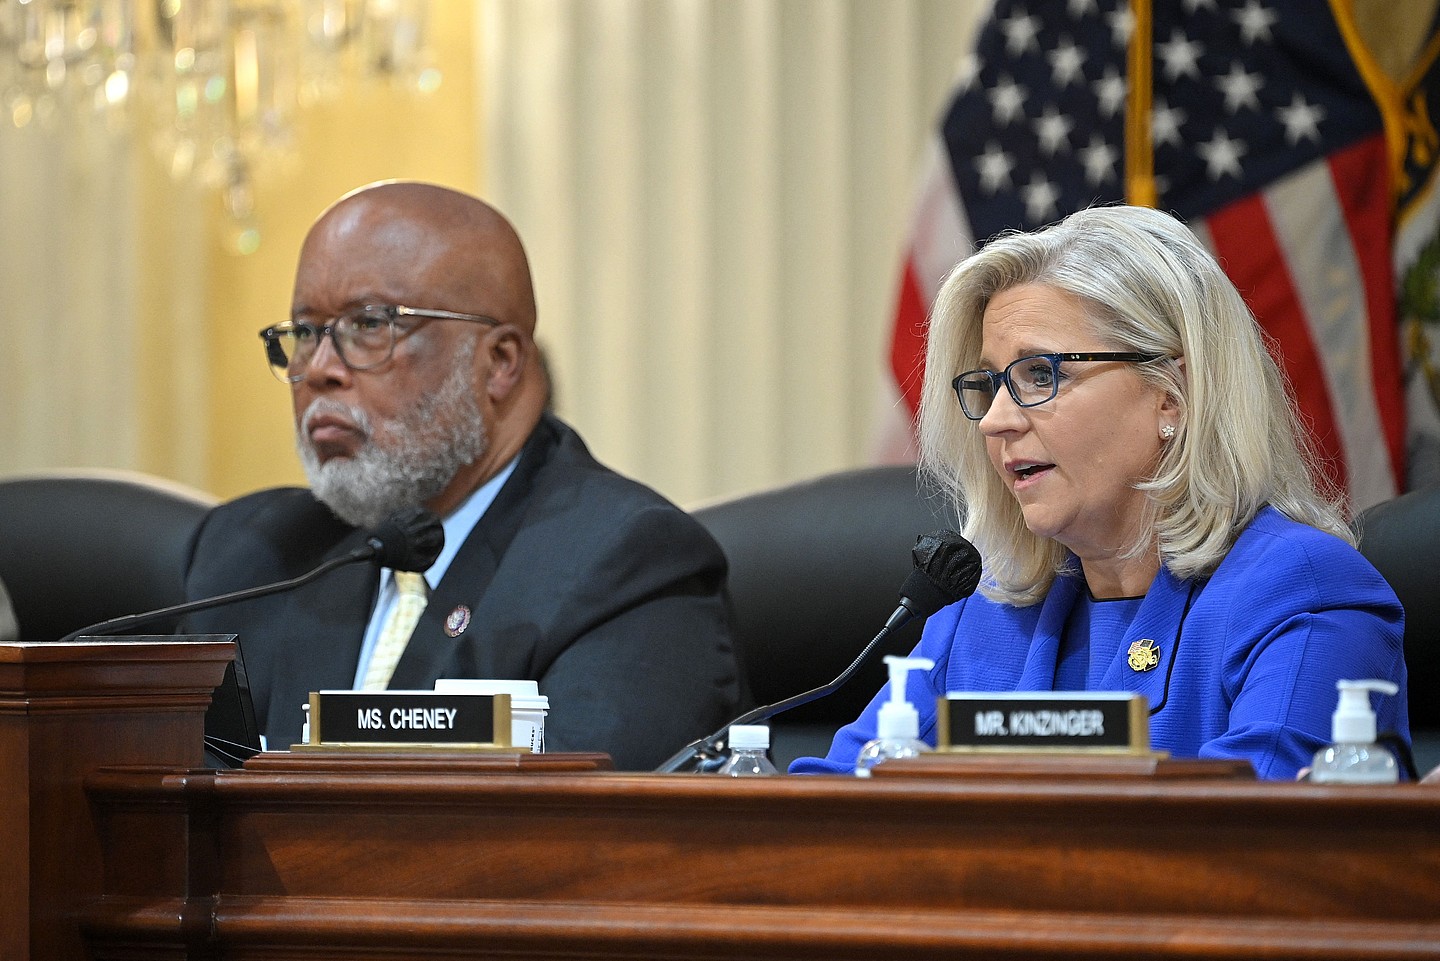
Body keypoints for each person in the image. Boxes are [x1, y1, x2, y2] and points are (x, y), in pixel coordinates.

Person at [793, 205, 1408, 780]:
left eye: (1040, 374)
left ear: (1172, 392)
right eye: (987, 384)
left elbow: (1251, 854)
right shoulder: (980, 619)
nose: (995, 419)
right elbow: (826, 819)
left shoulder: (1300, 591)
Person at [181, 181, 741, 770]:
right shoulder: (249, 557)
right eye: (304, 332)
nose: (319, 369)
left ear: (498, 363)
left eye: (369, 325)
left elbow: (582, 843)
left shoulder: (628, 565)